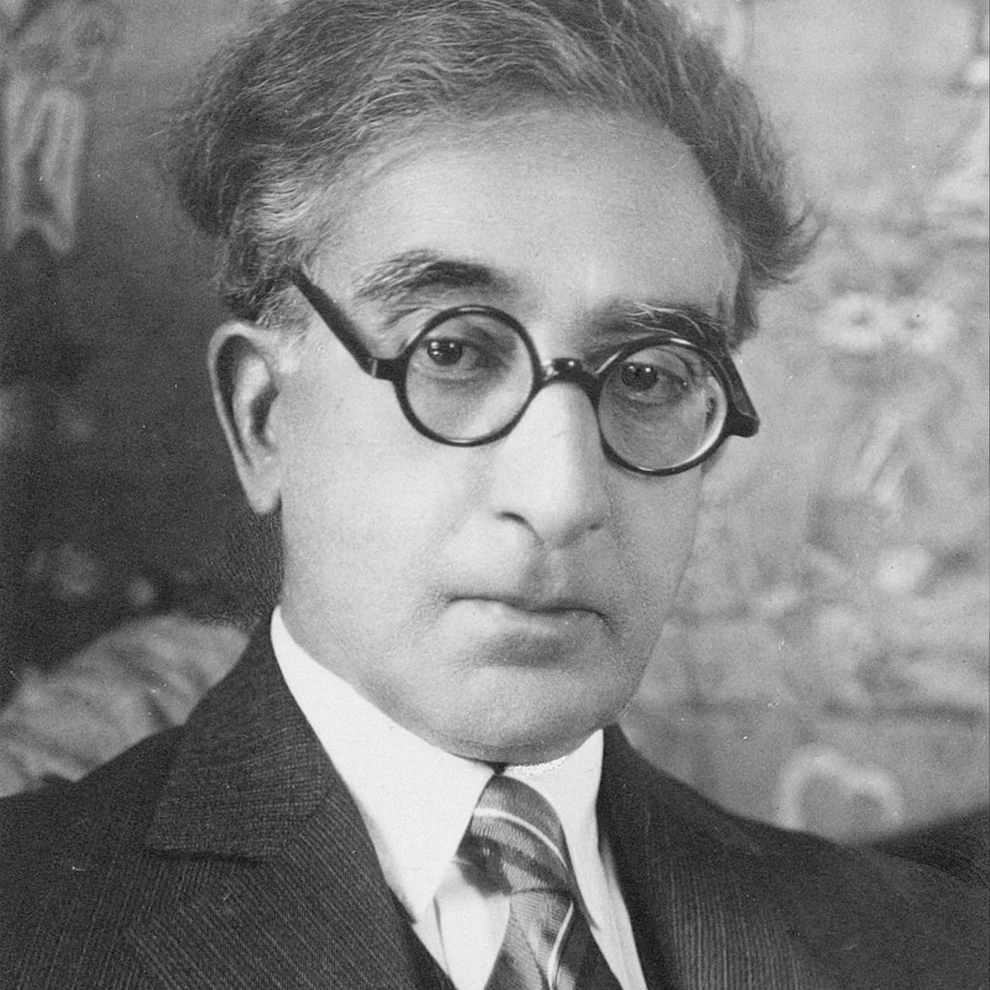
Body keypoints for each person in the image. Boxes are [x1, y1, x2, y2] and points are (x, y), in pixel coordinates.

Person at [0, 1, 985, 987]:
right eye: (453, 352)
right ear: (263, 420)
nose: (561, 496)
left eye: (648, 375)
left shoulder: (934, 953)